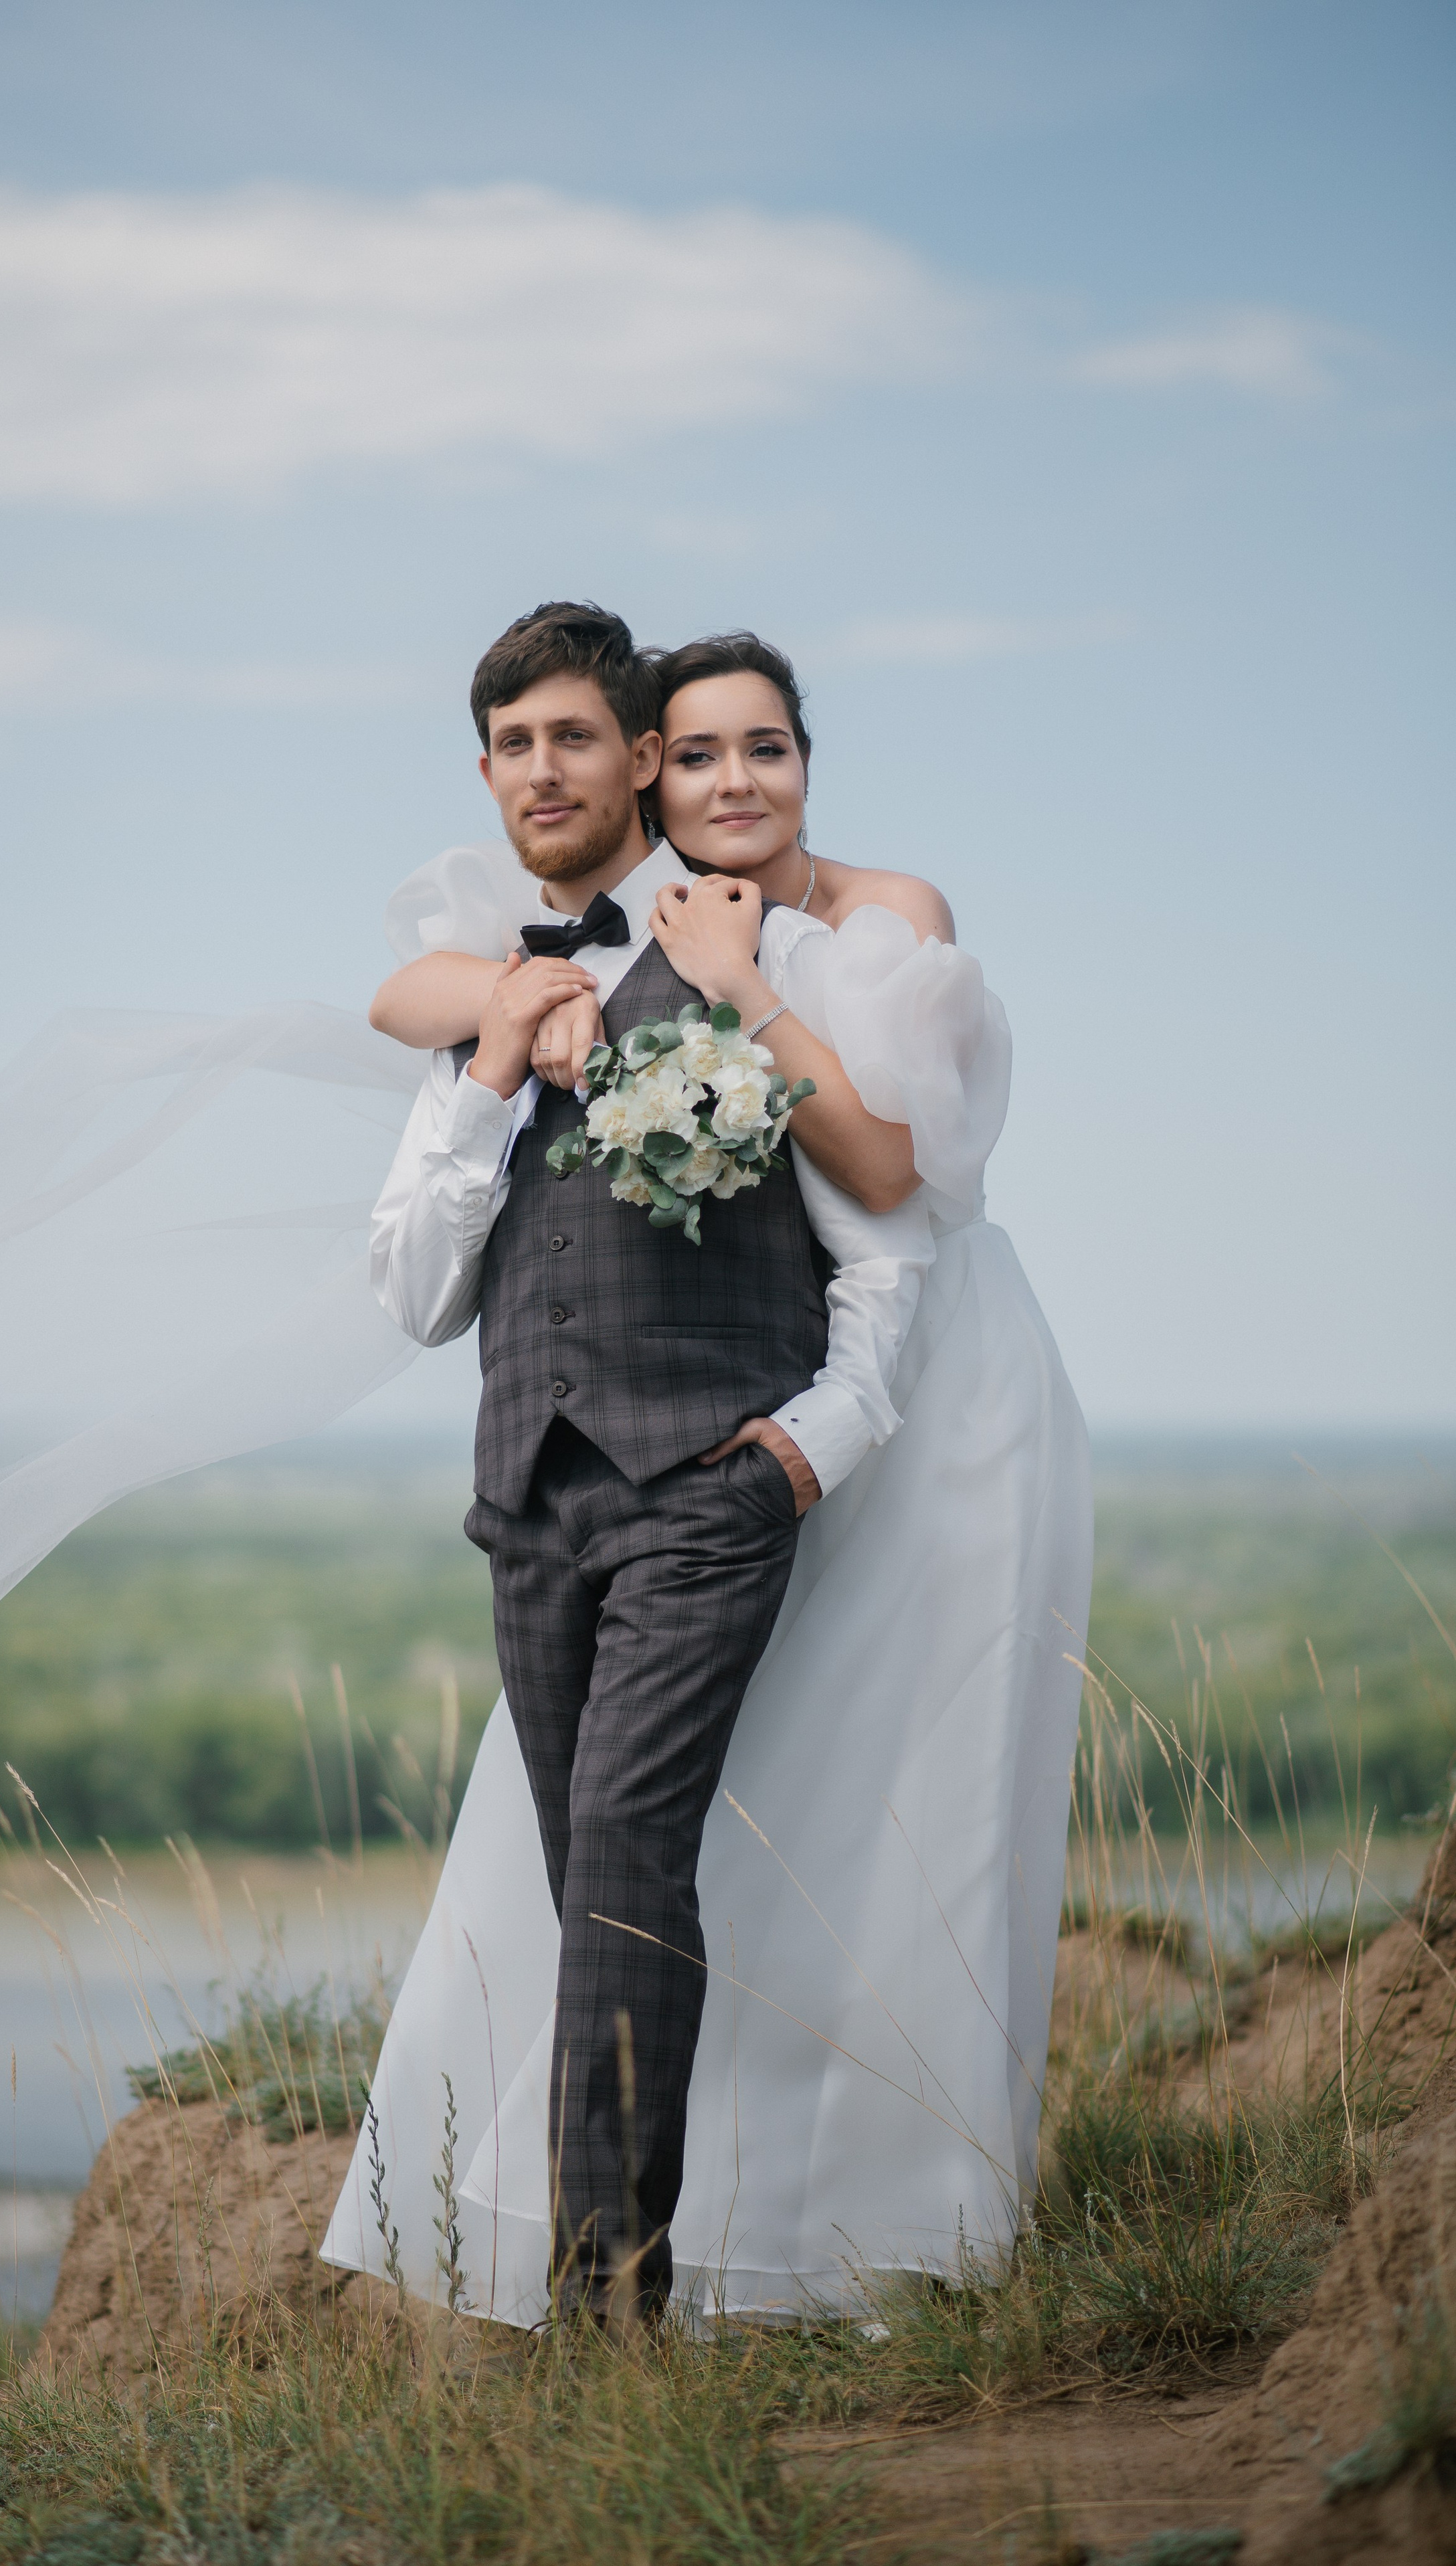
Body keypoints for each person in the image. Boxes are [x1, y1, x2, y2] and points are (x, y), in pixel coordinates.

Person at [320, 609, 1091, 2328]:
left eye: (759, 748)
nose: (715, 778)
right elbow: (417, 1280)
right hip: (527, 1493)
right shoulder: (502, 982)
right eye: (692, 751)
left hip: (716, 1477)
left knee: (624, 1849)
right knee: (582, 1867)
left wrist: (797, 1456)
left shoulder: (797, 966)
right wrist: (495, 1049)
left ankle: (607, 2307)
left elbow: (884, 1219)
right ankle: (629, 2260)